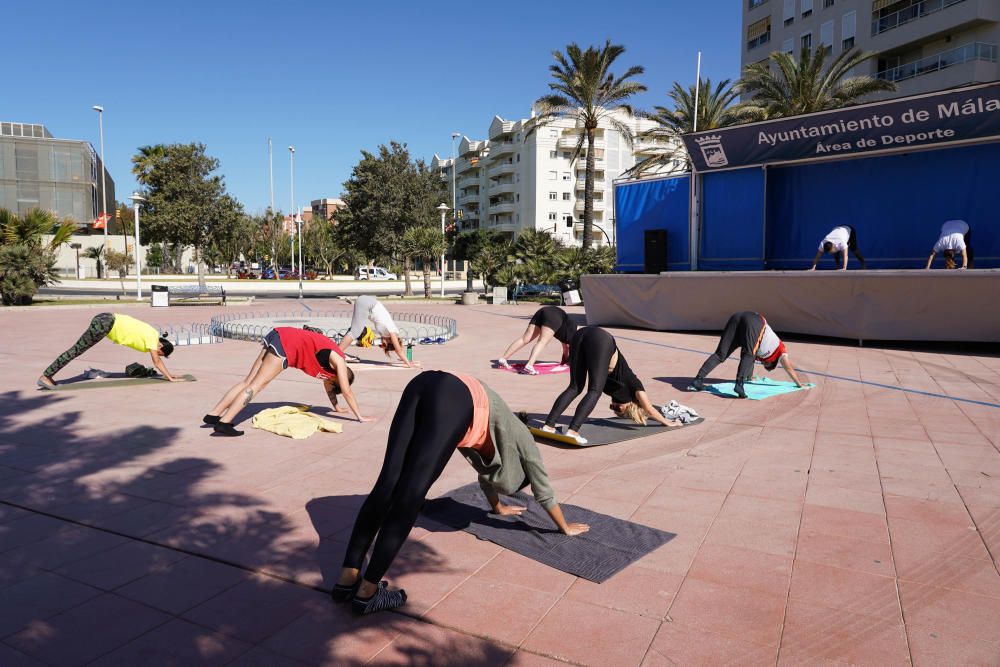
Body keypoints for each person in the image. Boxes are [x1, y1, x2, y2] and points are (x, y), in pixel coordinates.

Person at [333, 370, 589, 615]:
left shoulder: (491, 432)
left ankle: (347, 578)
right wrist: (564, 526)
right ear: (517, 470)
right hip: (455, 395)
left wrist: (498, 508)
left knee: (388, 483)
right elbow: (543, 489)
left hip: (424, 384)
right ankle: (367, 592)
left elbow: (485, 477)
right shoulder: (524, 440)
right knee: (410, 495)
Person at [204, 327, 368, 436]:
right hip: (287, 344)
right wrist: (360, 416)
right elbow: (347, 391)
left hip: (280, 335)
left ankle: (213, 415)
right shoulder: (338, 360)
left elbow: (329, 387)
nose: (331, 383)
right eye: (337, 382)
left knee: (248, 381)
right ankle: (224, 423)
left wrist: (337, 407)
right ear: (340, 377)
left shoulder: (330, 373)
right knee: (257, 385)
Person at [541, 327, 683, 445]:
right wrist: (668, 423)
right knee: (594, 391)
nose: (613, 405)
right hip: (601, 339)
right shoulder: (635, 387)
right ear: (631, 405)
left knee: (575, 387)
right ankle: (572, 431)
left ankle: (548, 426)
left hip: (580, 335)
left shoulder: (612, 391)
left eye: (612, 408)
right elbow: (649, 409)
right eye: (617, 408)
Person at [37, 312, 179, 390]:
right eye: (161, 353)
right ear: (161, 347)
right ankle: (46, 376)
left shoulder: (152, 333)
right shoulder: (152, 339)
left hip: (105, 319)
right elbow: (157, 362)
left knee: (77, 350)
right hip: (105, 323)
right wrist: (169, 377)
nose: (157, 353)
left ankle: (48, 375)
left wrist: (169, 374)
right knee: (76, 350)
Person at [688, 312, 805, 399]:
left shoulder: (760, 353)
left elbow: (751, 362)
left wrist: (750, 377)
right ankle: (739, 384)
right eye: (766, 364)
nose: (763, 362)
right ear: (773, 361)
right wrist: (799, 384)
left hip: (737, 318)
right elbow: (788, 368)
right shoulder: (780, 351)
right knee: (748, 353)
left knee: (720, 354)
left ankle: (697, 380)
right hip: (755, 321)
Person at [338, 296, 419, 368]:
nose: (381, 343)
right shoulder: (393, 331)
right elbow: (399, 350)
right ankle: (336, 353)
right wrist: (408, 363)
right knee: (355, 332)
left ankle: (336, 352)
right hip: (368, 303)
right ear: (390, 341)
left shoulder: (384, 332)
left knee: (355, 331)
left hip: (367, 302)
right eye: (384, 344)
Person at [496, 305, 576, 375]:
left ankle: (503, 358)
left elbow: (565, 347)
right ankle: (529, 365)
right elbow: (567, 347)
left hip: (543, 311)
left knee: (525, 339)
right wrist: (566, 360)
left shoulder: (571, 328)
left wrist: (565, 359)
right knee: (542, 341)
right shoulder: (574, 335)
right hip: (554, 316)